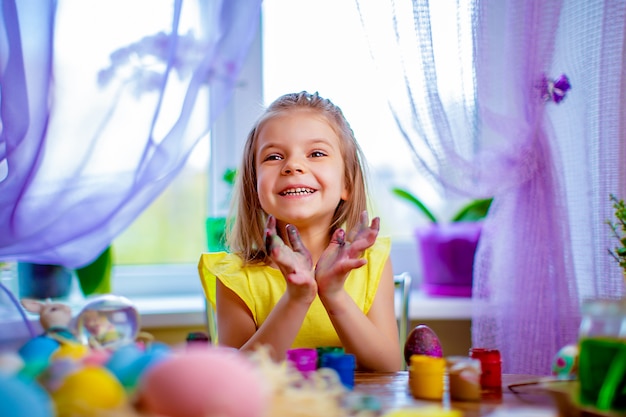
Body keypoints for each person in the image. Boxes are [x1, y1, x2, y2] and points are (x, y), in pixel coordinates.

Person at [198, 91, 401, 372]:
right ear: (254, 188)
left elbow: (388, 367)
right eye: (273, 156)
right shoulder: (235, 276)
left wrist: (333, 294)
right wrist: (297, 298)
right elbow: (234, 378)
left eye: (316, 153)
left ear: (347, 184)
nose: (292, 166)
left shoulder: (372, 261)